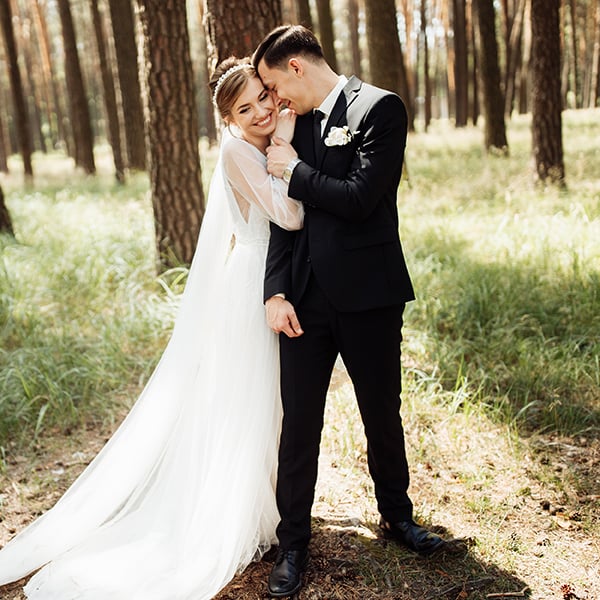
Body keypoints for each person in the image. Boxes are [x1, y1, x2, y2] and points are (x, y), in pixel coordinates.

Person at [0, 57, 303, 600]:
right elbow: (290, 217)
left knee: (273, 402)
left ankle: (274, 507)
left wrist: (280, 147)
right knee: (251, 402)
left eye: (263, 97)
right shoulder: (239, 151)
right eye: (245, 108)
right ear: (228, 120)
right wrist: (287, 147)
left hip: (273, 283)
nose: (260, 111)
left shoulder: (261, 147)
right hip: (250, 289)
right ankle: (246, 515)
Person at [252, 25, 448, 597]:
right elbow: (282, 220)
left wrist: (292, 170)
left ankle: (398, 516)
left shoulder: (380, 109)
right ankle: (293, 546)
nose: (274, 101)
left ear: (294, 67)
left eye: (273, 85)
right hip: (304, 300)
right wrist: (274, 292)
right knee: (299, 424)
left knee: (381, 411)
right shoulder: (291, 126)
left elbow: (363, 200)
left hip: (371, 293)